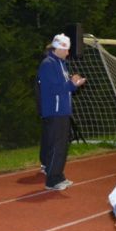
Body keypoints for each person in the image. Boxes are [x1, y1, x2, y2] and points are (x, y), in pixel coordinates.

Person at [36, 33, 86, 190]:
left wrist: (74, 83)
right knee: (56, 147)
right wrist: (71, 84)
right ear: (58, 48)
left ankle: (58, 175)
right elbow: (53, 89)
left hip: (63, 111)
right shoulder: (48, 64)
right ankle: (51, 179)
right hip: (54, 112)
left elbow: (64, 88)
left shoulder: (60, 64)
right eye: (66, 49)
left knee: (62, 146)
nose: (68, 53)